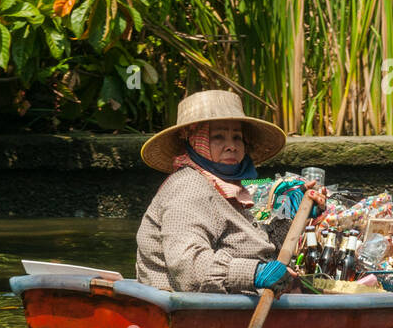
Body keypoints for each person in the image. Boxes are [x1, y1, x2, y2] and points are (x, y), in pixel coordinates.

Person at [135, 89, 325, 294]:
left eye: (237, 137)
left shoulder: (225, 185)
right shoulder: (188, 186)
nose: (231, 146)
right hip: (191, 312)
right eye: (218, 137)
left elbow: (260, 249)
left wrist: (289, 212)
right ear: (195, 141)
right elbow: (187, 264)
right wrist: (255, 274)